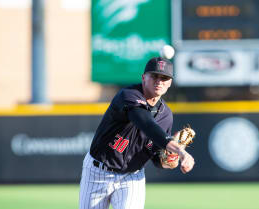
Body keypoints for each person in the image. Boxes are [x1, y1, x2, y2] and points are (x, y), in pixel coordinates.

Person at [79, 57, 195, 209]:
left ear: (170, 83)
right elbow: (146, 123)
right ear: (143, 78)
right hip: (98, 172)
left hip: (132, 177)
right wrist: (180, 151)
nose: (159, 81)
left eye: (164, 78)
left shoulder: (166, 116)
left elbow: (155, 157)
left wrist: (168, 159)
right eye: (154, 76)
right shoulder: (128, 95)